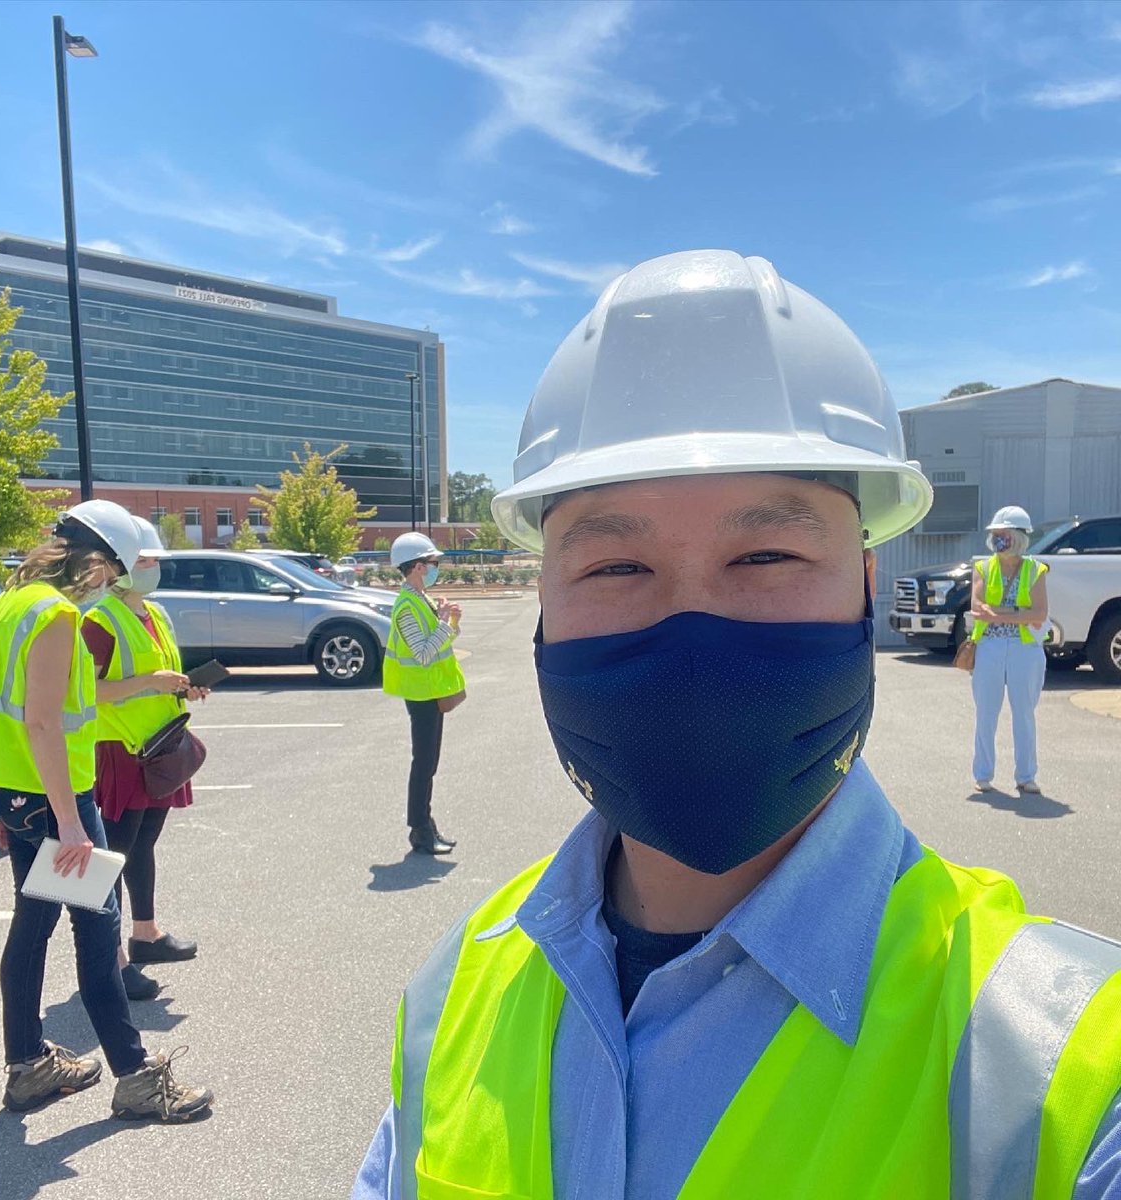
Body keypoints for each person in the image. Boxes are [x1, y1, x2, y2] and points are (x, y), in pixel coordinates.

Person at [353, 252, 1121, 1198]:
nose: (692, 630)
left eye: (767, 553)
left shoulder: (1064, 1069)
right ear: (544, 603)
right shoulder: (452, 995)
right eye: (615, 568)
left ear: (867, 591)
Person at [0, 499, 213, 1121]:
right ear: (94, 562)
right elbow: (42, 721)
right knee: (97, 924)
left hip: (16, 790)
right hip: (56, 797)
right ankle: (136, 1078)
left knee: (33, 924)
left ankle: (27, 1065)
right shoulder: (55, 615)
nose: (110, 583)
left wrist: (6, 802)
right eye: (111, 571)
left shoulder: (12, 599)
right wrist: (71, 820)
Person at [82, 516, 207, 1002]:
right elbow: (87, 691)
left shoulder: (154, 614)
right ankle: (108, 958)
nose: (153, 566)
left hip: (159, 746)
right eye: (143, 559)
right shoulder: (99, 619)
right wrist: (150, 684)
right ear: (118, 565)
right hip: (120, 751)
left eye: (155, 559)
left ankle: (146, 935)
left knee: (142, 845)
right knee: (113, 854)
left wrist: (183, 686)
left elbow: (163, 674)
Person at [383, 532, 465, 856]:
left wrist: (450, 620)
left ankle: (426, 827)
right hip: (421, 695)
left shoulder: (420, 599)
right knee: (423, 763)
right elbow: (422, 653)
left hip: (430, 692)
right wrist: (444, 624)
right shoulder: (407, 606)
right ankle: (420, 831)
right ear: (417, 566)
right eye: (432, 563)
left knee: (428, 762)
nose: (435, 568)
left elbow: (440, 641)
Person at [968, 505, 1050, 795]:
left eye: (1004, 535)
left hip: (1024, 648)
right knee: (986, 713)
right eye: (996, 535)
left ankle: (1026, 776)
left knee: (1024, 713)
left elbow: (1039, 613)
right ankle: (982, 775)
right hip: (989, 646)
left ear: (1019, 537)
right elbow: (977, 608)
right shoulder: (983, 567)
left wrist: (1000, 614)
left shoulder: (1035, 570)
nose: (999, 540)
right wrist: (1018, 612)